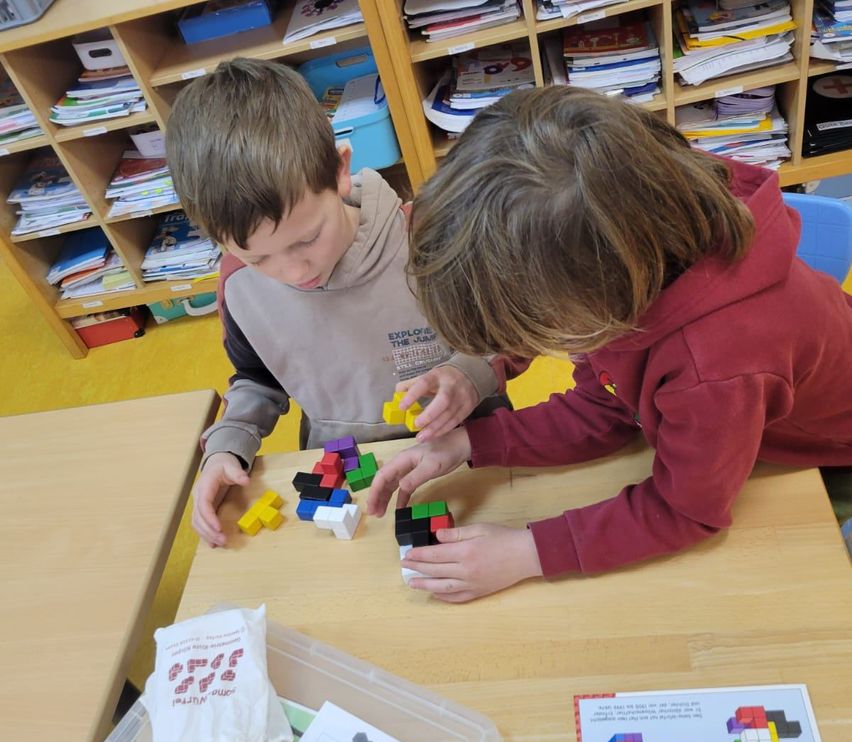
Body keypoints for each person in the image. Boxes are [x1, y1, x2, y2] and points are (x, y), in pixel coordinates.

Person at [367, 85, 852, 603]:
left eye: (539, 335)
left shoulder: (714, 367)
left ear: (597, 296)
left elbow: (686, 511)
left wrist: (528, 551)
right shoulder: (633, 227)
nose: (536, 354)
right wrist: (467, 442)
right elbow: (609, 409)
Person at [166, 58, 517, 547]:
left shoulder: (430, 240)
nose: (295, 272)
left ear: (340, 171)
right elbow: (259, 378)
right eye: (259, 257)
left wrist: (470, 375)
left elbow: (511, 337)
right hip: (347, 475)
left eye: (307, 239)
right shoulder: (239, 287)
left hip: (467, 452)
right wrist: (229, 445)